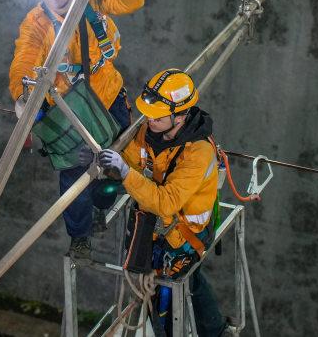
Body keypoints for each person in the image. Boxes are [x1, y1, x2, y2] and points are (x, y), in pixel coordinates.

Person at [8, 0, 145, 264]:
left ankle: (105, 203)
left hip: (108, 97)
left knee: (117, 166)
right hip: (71, 110)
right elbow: (24, 61)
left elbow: (131, 0)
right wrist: (23, 96)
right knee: (74, 175)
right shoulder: (37, 23)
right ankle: (80, 238)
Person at [96, 68, 232, 336]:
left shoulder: (198, 152)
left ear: (180, 116)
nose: (149, 119)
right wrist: (104, 165)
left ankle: (206, 332)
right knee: (185, 282)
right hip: (161, 224)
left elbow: (167, 201)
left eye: (157, 115)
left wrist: (125, 173)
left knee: (169, 295)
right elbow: (133, 159)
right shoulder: (151, 131)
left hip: (185, 234)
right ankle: (214, 330)